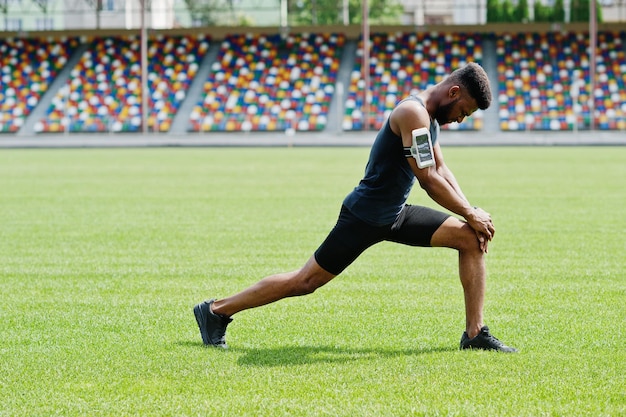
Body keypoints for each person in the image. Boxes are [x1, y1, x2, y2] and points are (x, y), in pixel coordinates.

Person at [194, 62, 517, 353]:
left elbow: (442, 169)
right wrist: (469, 214)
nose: (461, 119)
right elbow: (429, 178)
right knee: (305, 281)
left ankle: (474, 334)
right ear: (454, 91)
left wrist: (470, 212)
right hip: (364, 217)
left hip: (395, 214)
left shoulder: (430, 119)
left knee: (471, 239)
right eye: (464, 110)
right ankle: (216, 310)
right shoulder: (413, 113)